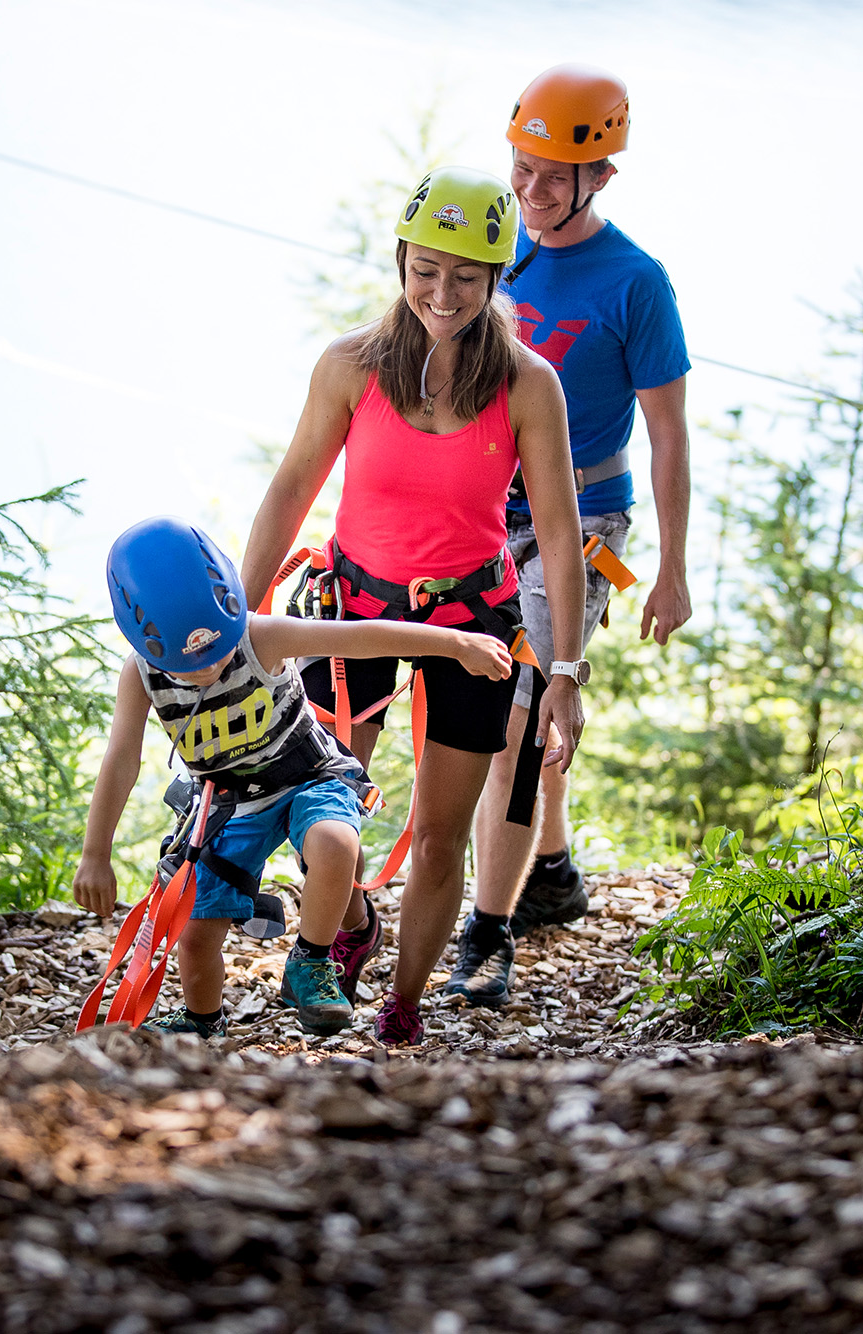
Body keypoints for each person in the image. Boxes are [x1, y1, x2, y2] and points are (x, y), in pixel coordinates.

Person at [239, 166, 588, 1046]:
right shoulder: (351, 367)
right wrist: (242, 620)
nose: (442, 292)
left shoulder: (525, 384)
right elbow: (289, 492)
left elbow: (556, 530)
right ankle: (348, 919)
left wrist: (567, 671)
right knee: (321, 806)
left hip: (473, 625)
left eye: (466, 277)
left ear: (496, 278)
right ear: (401, 257)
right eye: (426, 268)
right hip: (354, 609)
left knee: (439, 836)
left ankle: (403, 1007)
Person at [73, 516, 514, 1040]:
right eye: (192, 665)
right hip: (226, 800)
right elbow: (121, 760)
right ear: (147, 643)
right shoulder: (140, 675)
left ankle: (310, 961)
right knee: (195, 934)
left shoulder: (261, 636)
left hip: (308, 775)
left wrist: (456, 645)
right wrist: (95, 853)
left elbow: (359, 638)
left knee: (333, 842)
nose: (210, 669)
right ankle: (203, 1020)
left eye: (217, 650)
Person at [449, 63, 694, 1009]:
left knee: (518, 709)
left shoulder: (636, 283)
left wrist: (670, 571)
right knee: (488, 701)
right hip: (480, 510)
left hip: (584, 521)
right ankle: (548, 865)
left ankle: (489, 928)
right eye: (521, 167)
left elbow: (668, 434)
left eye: (554, 176)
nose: (531, 190)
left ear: (603, 178)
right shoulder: (495, 249)